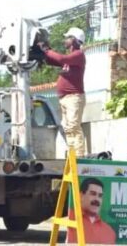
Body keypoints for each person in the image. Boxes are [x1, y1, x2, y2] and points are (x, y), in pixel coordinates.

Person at [41, 27, 87, 157]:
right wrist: (43, 53)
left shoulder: (78, 55)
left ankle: (79, 156)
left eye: (68, 38)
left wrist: (47, 50)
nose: (65, 40)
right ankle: (73, 156)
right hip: (65, 98)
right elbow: (53, 60)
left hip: (74, 97)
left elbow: (61, 59)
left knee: (73, 126)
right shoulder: (71, 58)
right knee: (68, 128)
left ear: (74, 40)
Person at [67, 177, 116, 244]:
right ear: (81, 195)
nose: (97, 199)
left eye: (100, 196)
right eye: (93, 194)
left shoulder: (109, 232)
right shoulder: (71, 218)